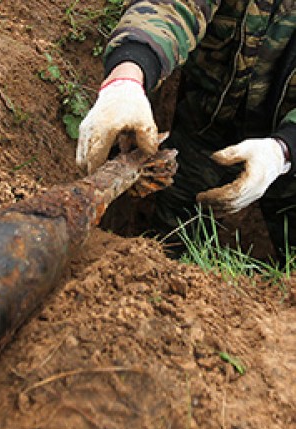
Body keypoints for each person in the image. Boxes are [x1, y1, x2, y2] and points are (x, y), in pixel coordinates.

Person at [75, 0, 296, 260]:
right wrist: (126, 78)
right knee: (167, 246)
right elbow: (169, 6)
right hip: (202, 132)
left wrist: (283, 150)